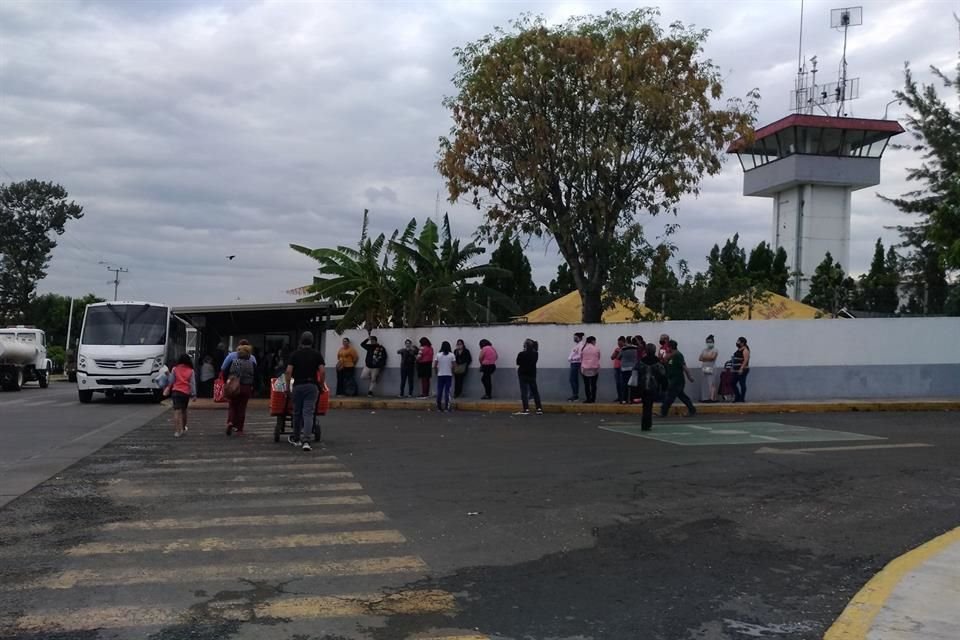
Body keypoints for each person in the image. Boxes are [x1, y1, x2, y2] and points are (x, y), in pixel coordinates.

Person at [285, 331, 325, 452]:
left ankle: (296, 438)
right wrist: (321, 385)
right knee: (308, 413)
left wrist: (287, 387)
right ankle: (306, 440)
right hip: (312, 386)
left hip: (298, 385)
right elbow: (322, 372)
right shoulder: (317, 354)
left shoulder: (295, 355)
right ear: (312, 341)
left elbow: (288, 372)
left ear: (301, 341)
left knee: (297, 412)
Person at [634, 343, 667, 431]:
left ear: (646, 351)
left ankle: (644, 424)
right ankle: (648, 424)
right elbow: (663, 374)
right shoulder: (657, 362)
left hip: (642, 386)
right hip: (653, 386)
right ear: (654, 351)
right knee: (649, 405)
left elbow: (635, 371)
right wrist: (664, 387)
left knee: (645, 406)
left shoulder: (641, 361)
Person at [226, 344, 257, 435]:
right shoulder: (252, 364)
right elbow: (256, 376)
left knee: (232, 405)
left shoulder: (234, 362)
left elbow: (226, 372)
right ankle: (240, 429)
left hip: (234, 386)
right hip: (246, 387)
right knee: (242, 408)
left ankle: (230, 421)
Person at [660, 339, 696, 417]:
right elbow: (665, 362)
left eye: (668, 347)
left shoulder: (678, 355)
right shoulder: (671, 355)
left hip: (677, 380)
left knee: (670, 396)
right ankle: (692, 409)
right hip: (672, 379)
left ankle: (663, 412)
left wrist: (689, 377)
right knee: (682, 396)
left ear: (671, 347)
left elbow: (684, 367)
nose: (667, 349)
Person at [165, 353, 196, 438]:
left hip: (176, 391)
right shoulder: (191, 371)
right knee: (184, 411)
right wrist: (194, 394)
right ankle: (183, 428)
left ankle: (177, 431)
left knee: (176, 411)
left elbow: (171, 381)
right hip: (185, 393)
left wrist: (168, 376)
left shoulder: (175, 369)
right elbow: (192, 383)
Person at [515, 338, 543, 415]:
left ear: (525, 345)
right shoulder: (535, 354)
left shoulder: (521, 354)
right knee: (535, 392)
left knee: (524, 392)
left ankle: (526, 409)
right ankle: (539, 408)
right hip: (532, 374)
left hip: (522, 374)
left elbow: (518, 362)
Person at [434, 341, 456, 412]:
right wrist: (452, 372)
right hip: (448, 375)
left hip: (440, 375)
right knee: (447, 391)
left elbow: (435, 365)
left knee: (439, 391)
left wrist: (436, 372)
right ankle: (447, 407)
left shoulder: (438, 355)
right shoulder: (452, 355)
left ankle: (439, 407)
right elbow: (454, 366)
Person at [580, 335, 600, 403]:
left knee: (587, 385)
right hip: (594, 369)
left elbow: (581, 357)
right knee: (593, 385)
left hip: (585, 369)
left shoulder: (583, 349)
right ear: (592, 341)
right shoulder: (596, 349)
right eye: (595, 341)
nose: (595, 342)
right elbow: (598, 357)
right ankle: (593, 399)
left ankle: (588, 398)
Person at [618, 337, 639, 405]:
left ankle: (624, 399)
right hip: (633, 368)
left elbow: (618, 357)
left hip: (625, 368)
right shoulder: (636, 348)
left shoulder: (623, 348)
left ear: (626, 341)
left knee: (625, 384)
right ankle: (632, 399)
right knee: (633, 384)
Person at [698, 334, 719, 402]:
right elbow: (700, 358)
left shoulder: (715, 350)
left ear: (713, 342)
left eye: (710, 342)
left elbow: (712, 358)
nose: (708, 343)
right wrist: (707, 357)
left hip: (711, 367)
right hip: (704, 367)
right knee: (705, 383)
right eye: (707, 342)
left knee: (711, 383)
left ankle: (712, 398)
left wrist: (705, 357)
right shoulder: (704, 350)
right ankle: (705, 398)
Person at [732, 336, 751, 403]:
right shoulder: (739, 349)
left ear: (742, 343)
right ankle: (738, 396)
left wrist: (741, 368)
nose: (737, 342)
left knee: (742, 383)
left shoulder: (745, 350)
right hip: (735, 370)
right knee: (732, 383)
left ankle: (742, 398)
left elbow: (745, 360)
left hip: (742, 370)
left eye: (738, 341)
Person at [567, 332, 584, 401]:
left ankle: (575, 395)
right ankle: (575, 395)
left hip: (577, 363)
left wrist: (572, 359)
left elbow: (580, 355)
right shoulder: (577, 345)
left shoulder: (581, 345)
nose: (574, 339)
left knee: (572, 379)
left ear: (578, 338)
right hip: (574, 363)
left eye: (575, 337)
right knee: (574, 380)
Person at [611, 337, 625, 404]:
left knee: (622, 384)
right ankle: (619, 397)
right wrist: (616, 352)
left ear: (624, 342)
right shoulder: (617, 349)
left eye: (620, 343)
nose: (619, 344)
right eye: (618, 343)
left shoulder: (625, 349)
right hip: (616, 368)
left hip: (623, 368)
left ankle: (623, 397)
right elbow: (612, 357)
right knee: (618, 383)